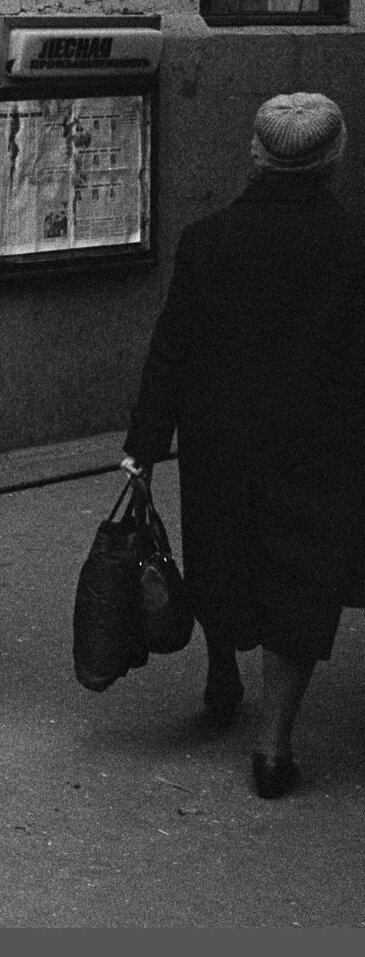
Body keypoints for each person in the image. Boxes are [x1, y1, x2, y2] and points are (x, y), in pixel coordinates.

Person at [121, 92, 365, 799]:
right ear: (335, 155)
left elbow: (171, 349)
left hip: (218, 437)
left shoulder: (207, 238)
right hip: (321, 440)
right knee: (298, 577)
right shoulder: (356, 244)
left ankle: (221, 668)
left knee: (223, 550)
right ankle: (271, 746)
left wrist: (142, 444)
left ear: (255, 154)